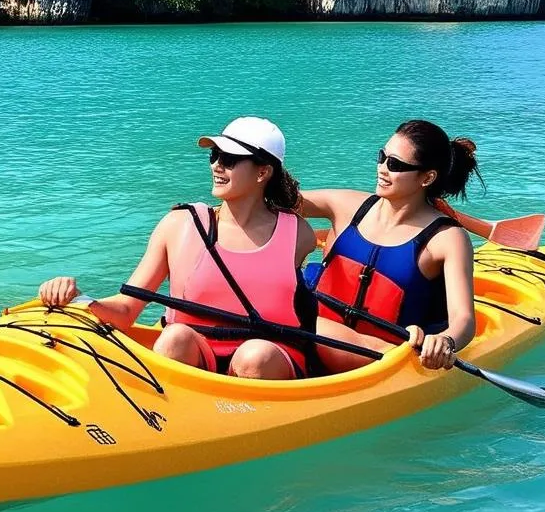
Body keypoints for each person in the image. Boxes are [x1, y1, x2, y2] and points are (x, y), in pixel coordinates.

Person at [39, 117, 317, 379]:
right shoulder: (179, 226)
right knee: (174, 337)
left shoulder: (298, 235)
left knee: (254, 356)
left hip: (271, 361)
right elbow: (126, 311)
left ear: (263, 172)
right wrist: (79, 298)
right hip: (194, 358)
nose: (216, 166)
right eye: (214, 156)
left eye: (229, 159)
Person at [301, 119, 480, 375]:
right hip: (314, 339)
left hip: (381, 361)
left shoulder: (446, 239)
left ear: (427, 177)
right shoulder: (346, 206)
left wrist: (445, 341)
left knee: (301, 319)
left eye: (394, 164)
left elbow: (463, 320)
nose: (381, 168)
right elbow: (279, 200)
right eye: (382, 156)